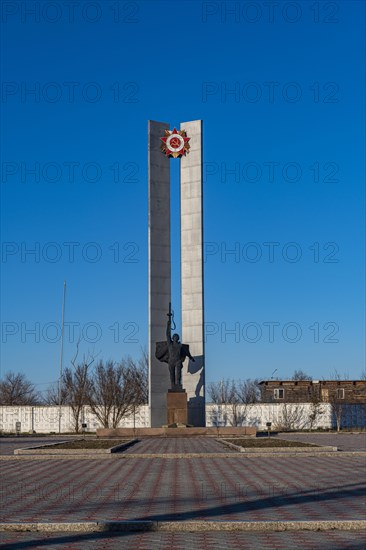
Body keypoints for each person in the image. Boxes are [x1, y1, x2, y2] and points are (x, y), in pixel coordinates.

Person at [166, 314, 195, 390]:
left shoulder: (180, 345)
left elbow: (186, 352)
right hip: (171, 361)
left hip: (178, 361)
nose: (175, 338)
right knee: (172, 374)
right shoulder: (170, 344)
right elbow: (167, 335)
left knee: (178, 374)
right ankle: (173, 384)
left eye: (176, 337)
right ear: (173, 338)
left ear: (178, 338)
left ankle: (178, 383)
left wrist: (191, 358)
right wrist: (168, 325)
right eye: (174, 337)